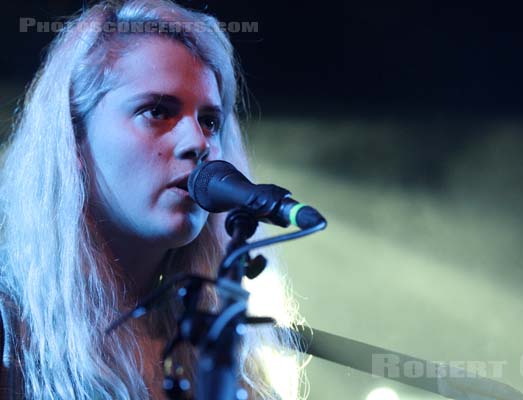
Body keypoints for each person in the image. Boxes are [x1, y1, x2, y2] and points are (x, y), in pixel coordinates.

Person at [0, 0, 306, 398]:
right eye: (157, 111)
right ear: (74, 139)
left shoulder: (214, 347)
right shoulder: (11, 328)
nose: (198, 142)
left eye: (209, 121)